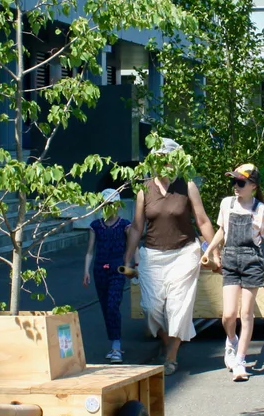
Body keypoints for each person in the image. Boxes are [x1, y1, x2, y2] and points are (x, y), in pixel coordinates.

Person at [123, 139, 215, 376]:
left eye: (167, 157)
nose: (163, 162)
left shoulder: (188, 185)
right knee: (152, 308)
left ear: (175, 160)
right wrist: (128, 258)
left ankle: (171, 357)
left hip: (184, 252)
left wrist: (214, 251)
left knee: (177, 307)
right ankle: (169, 342)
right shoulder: (144, 189)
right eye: (159, 158)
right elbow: (136, 227)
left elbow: (202, 220)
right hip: (152, 254)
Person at [202, 163, 264, 382]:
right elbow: (222, 231)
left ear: (253, 185)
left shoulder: (260, 209)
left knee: (246, 314)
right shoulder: (227, 203)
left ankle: (241, 360)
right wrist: (209, 250)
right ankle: (232, 341)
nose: (236, 186)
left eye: (241, 182)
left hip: (252, 262)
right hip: (231, 260)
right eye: (234, 181)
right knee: (228, 315)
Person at [82, 188, 130, 364]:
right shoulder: (95, 226)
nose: (110, 207)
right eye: (105, 204)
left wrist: (136, 266)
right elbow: (89, 252)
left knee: (112, 305)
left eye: (112, 204)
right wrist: (86, 270)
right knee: (105, 307)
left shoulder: (125, 225)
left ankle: (116, 346)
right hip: (99, 270)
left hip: (118, 270)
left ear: (118, 205)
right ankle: (114, 343)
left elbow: (133, 247)